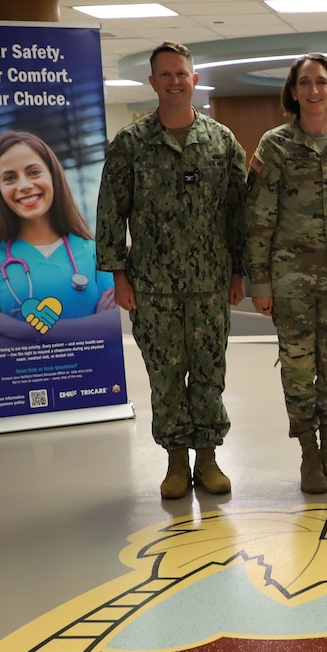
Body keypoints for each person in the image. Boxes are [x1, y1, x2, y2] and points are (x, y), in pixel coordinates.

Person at [96, 42, 247, 500]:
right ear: (153, 83)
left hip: (209, 286)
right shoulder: (130, 144)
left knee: (208, 374)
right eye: (165, 75)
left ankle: (208, 458)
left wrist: (239, 271)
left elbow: (238, 214)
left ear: (194, 79)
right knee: (164, 376)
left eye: (181, 73)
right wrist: (118, 275)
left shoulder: (221, 142)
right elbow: (110, 213)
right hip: (152, 288)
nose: (174, 81)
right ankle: (176, 463)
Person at [244, 54, 327, 494]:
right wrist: (259, 284)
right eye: (305, 83)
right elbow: (258, 218)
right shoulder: (275, 145)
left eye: (322, 82)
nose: (314, 90)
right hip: (290, 286)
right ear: (294, 92)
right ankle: (308, 457)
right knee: (299, 373)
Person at [0, 131, 118, 347]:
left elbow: (114, 326)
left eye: (33, 172)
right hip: (20, 381)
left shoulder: (96, 251)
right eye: (9, 178)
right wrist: (91, 326)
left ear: (53, 176)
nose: (24, 185)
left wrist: (18, 329)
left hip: (92, 380)